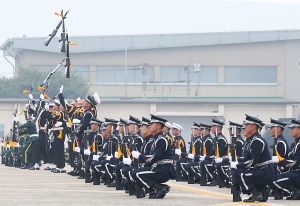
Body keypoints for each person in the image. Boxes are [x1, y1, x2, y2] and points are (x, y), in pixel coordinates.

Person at [232, 114, 275, 202]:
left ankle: (256, 193)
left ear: (253, 126)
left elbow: (252, 162)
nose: (244, 127)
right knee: (241, 171)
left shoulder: (257, 141)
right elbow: (247, 158)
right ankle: (262, 191)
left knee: (239, 173)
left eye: (247, 125)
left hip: (265, 171)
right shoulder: (251, 140)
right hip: (261, 170)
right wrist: (237, 161)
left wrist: (238, 165)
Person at [131, 114, 175, 199]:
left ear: (158, 126)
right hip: (157, 168)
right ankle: (156, 188)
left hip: (163, 170)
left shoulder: (161, 140)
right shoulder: (156, 139)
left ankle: (159, 188)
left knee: (137, 174)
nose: (150, 126)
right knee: (136, 171)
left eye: (152, 124)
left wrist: (139, 156)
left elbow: (155, 157)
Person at [273, 119, 300, 200]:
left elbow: (296, 162)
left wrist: (281, 161)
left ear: (299, 129)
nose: (290, 131)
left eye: (293, 128)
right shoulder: (294, 144)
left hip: (298, 172)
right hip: (294, 172)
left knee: (273, 179)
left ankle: (294, 191)